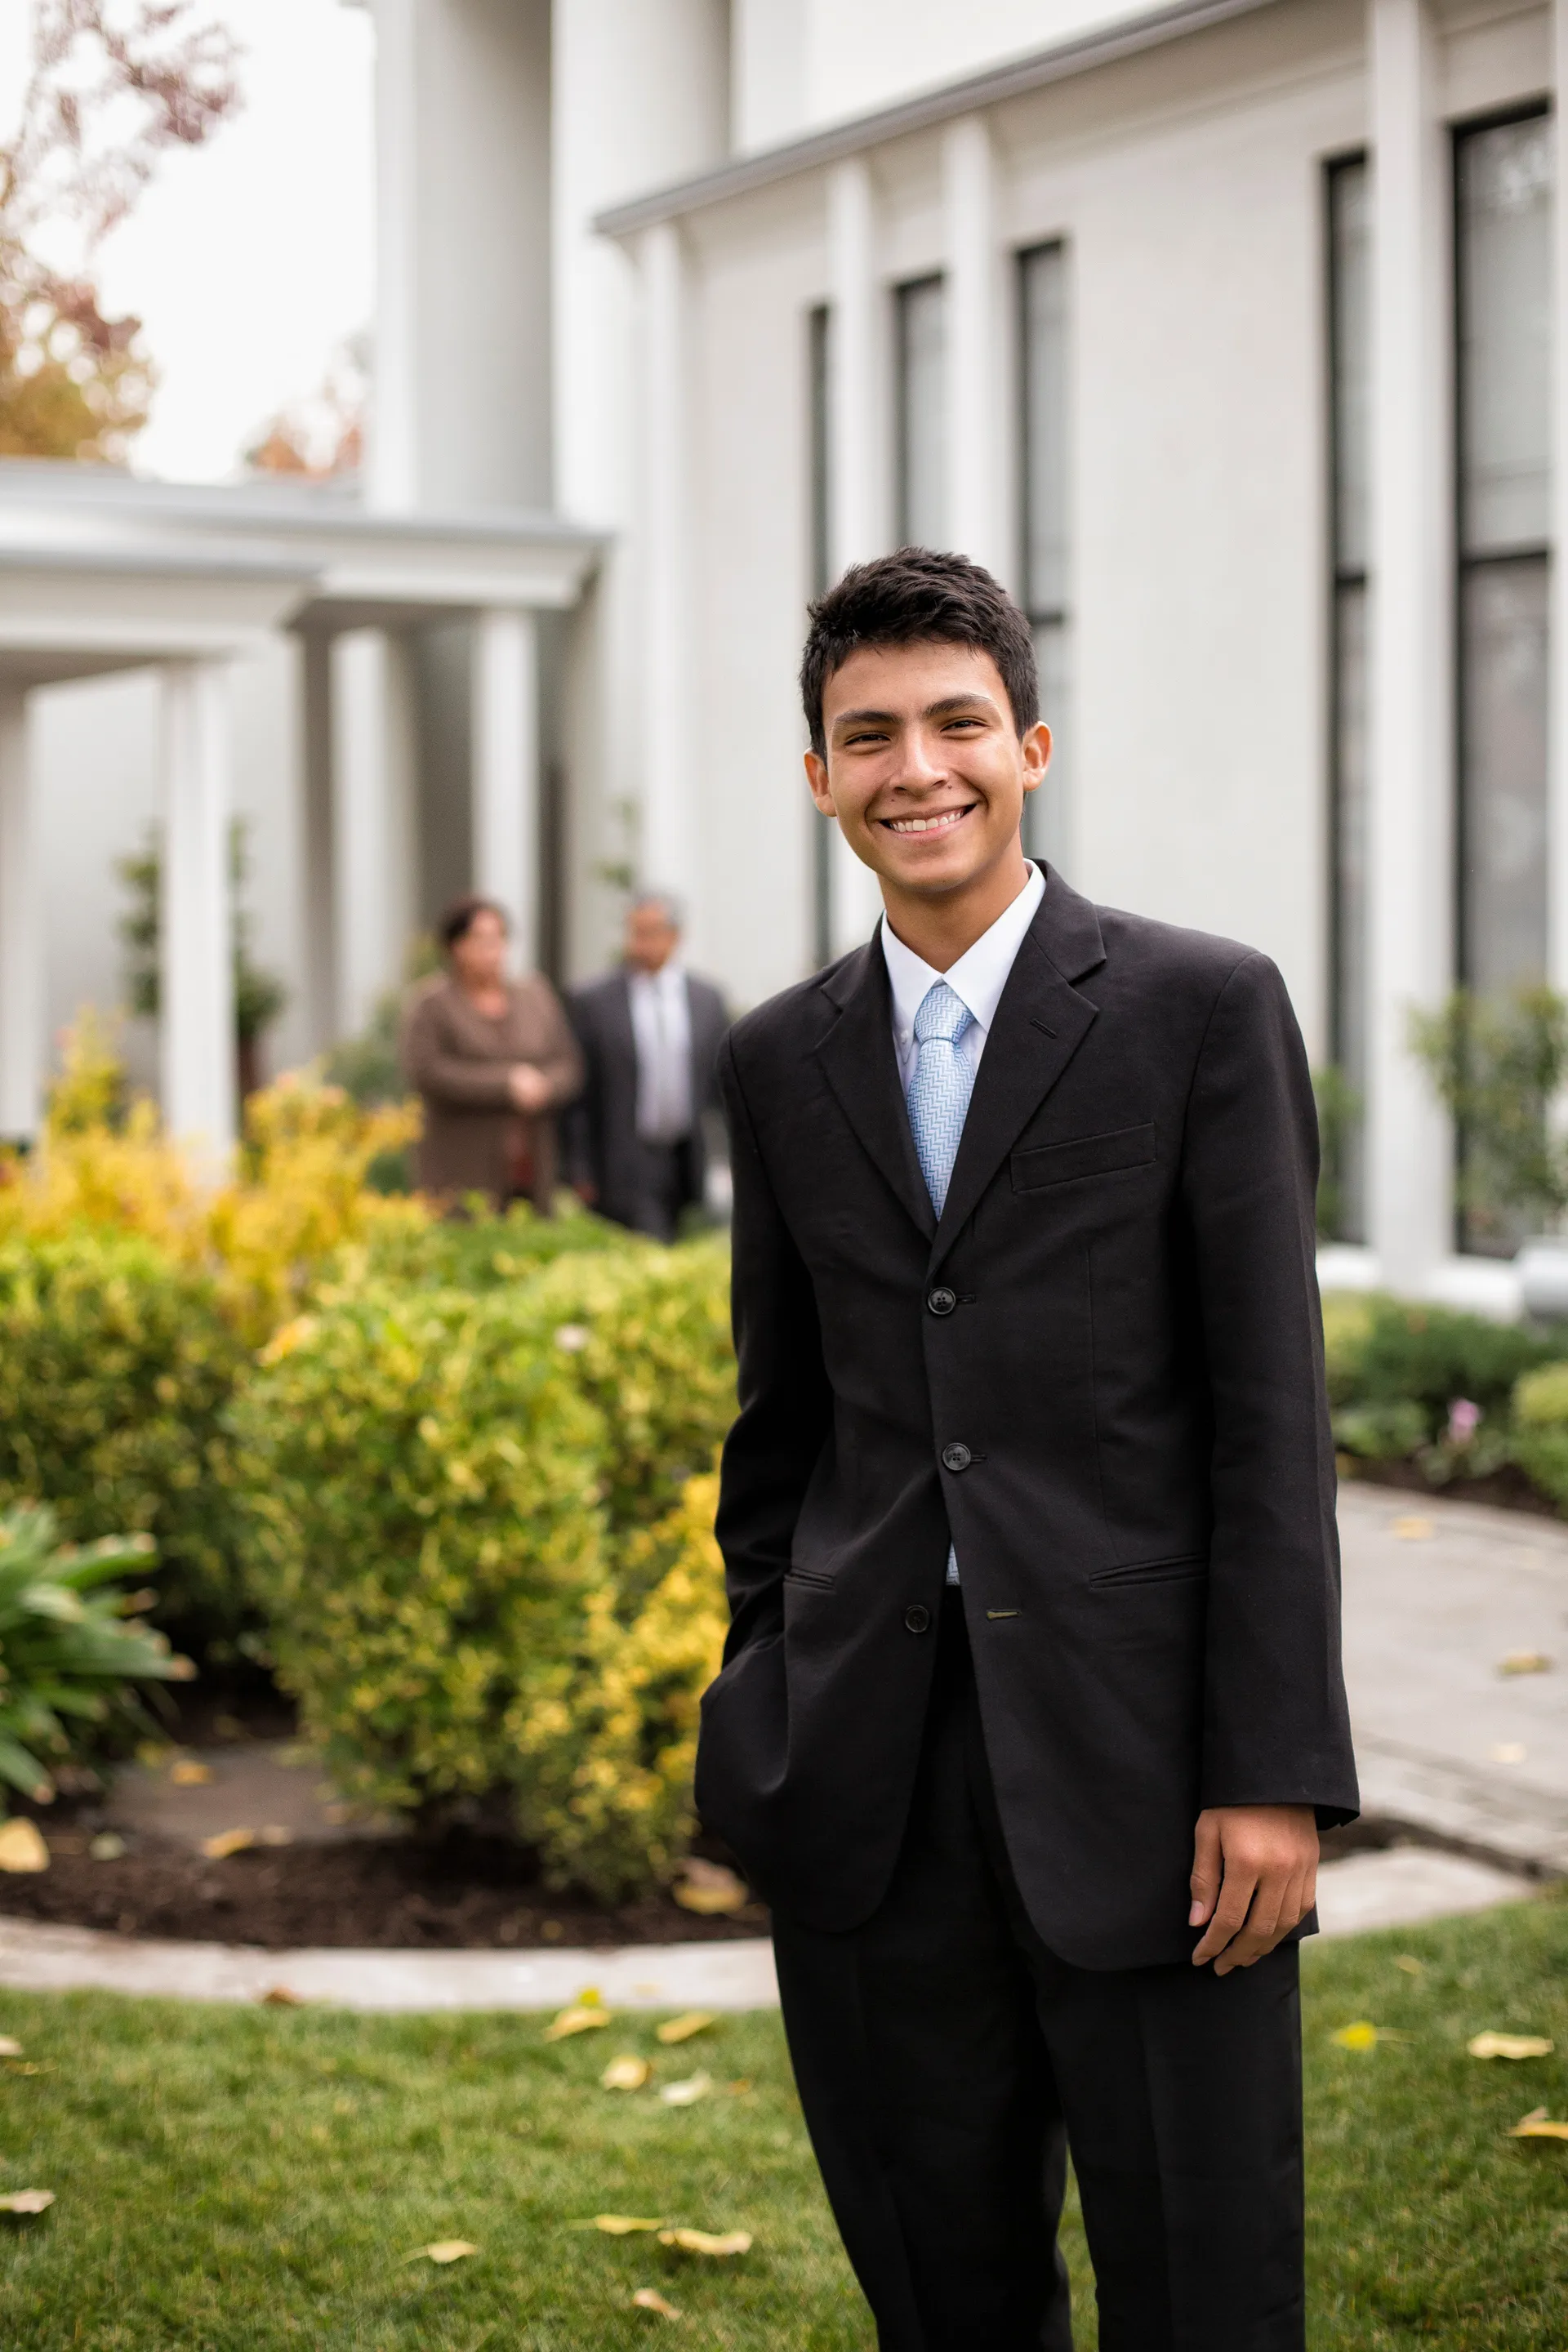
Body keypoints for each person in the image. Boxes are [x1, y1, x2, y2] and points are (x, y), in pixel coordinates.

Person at [695, 548, 1357, 2352]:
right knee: (941, 2289)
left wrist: (1273, 1768)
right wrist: (766, 1685)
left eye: (958, 723)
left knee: (1205, 2294)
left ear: (1033, 742)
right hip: (868, 1785)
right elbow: (785, 1426)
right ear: (817, 774)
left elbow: (1269, 1422)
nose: (921, 767)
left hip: (1158, 1784)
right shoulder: (779, 1059)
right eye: (871, 735)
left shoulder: (1200, 1007)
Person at [399, 894, 583, 1212]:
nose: (494, 949)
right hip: (464, 1162)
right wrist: (505, 1085)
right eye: (481, 939)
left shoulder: (534, 995)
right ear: (455, 946)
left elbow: (567, 1063)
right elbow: (428, 1071)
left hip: (530, 1159)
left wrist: (544, 1086)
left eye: (499, 938)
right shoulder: (432, 1005)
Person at [564, 892, 731, 1240]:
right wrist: (578, 1168)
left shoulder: (706, 1000)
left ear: (675, 937)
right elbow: (580, 1093)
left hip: (686, 1155)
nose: (640, 944)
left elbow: (721, 1086)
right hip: (624, 1155)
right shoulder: (594, 1002)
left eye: (651, 933)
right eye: (635, 932)